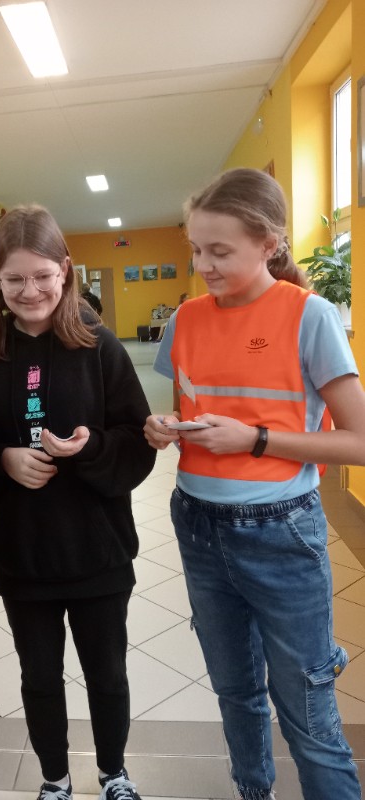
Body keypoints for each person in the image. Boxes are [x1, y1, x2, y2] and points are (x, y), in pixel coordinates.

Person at [144, 167, 365, 800]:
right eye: (196, 249)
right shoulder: (185, 319)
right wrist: (163, 427)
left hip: (281, 532)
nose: (203, 266)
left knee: (307, 709)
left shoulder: (309, 316)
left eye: (220, 251)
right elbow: (187, 404)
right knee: (234, 690)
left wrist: (256, 439)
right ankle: (253, 790)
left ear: (269, 243)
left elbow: (357, 441)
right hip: (197, 524)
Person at [0, 205, 156, 800]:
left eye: (43, 275)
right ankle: (55, 777)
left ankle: (113, 772)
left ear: (65, 271)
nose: (30, 291)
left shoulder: (99, 347)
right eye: (14, 279)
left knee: (107, 674)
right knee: (39, 677)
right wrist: (3, 459)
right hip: (24, 554)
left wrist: (88, 447)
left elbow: (137, 442)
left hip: (97, 549)